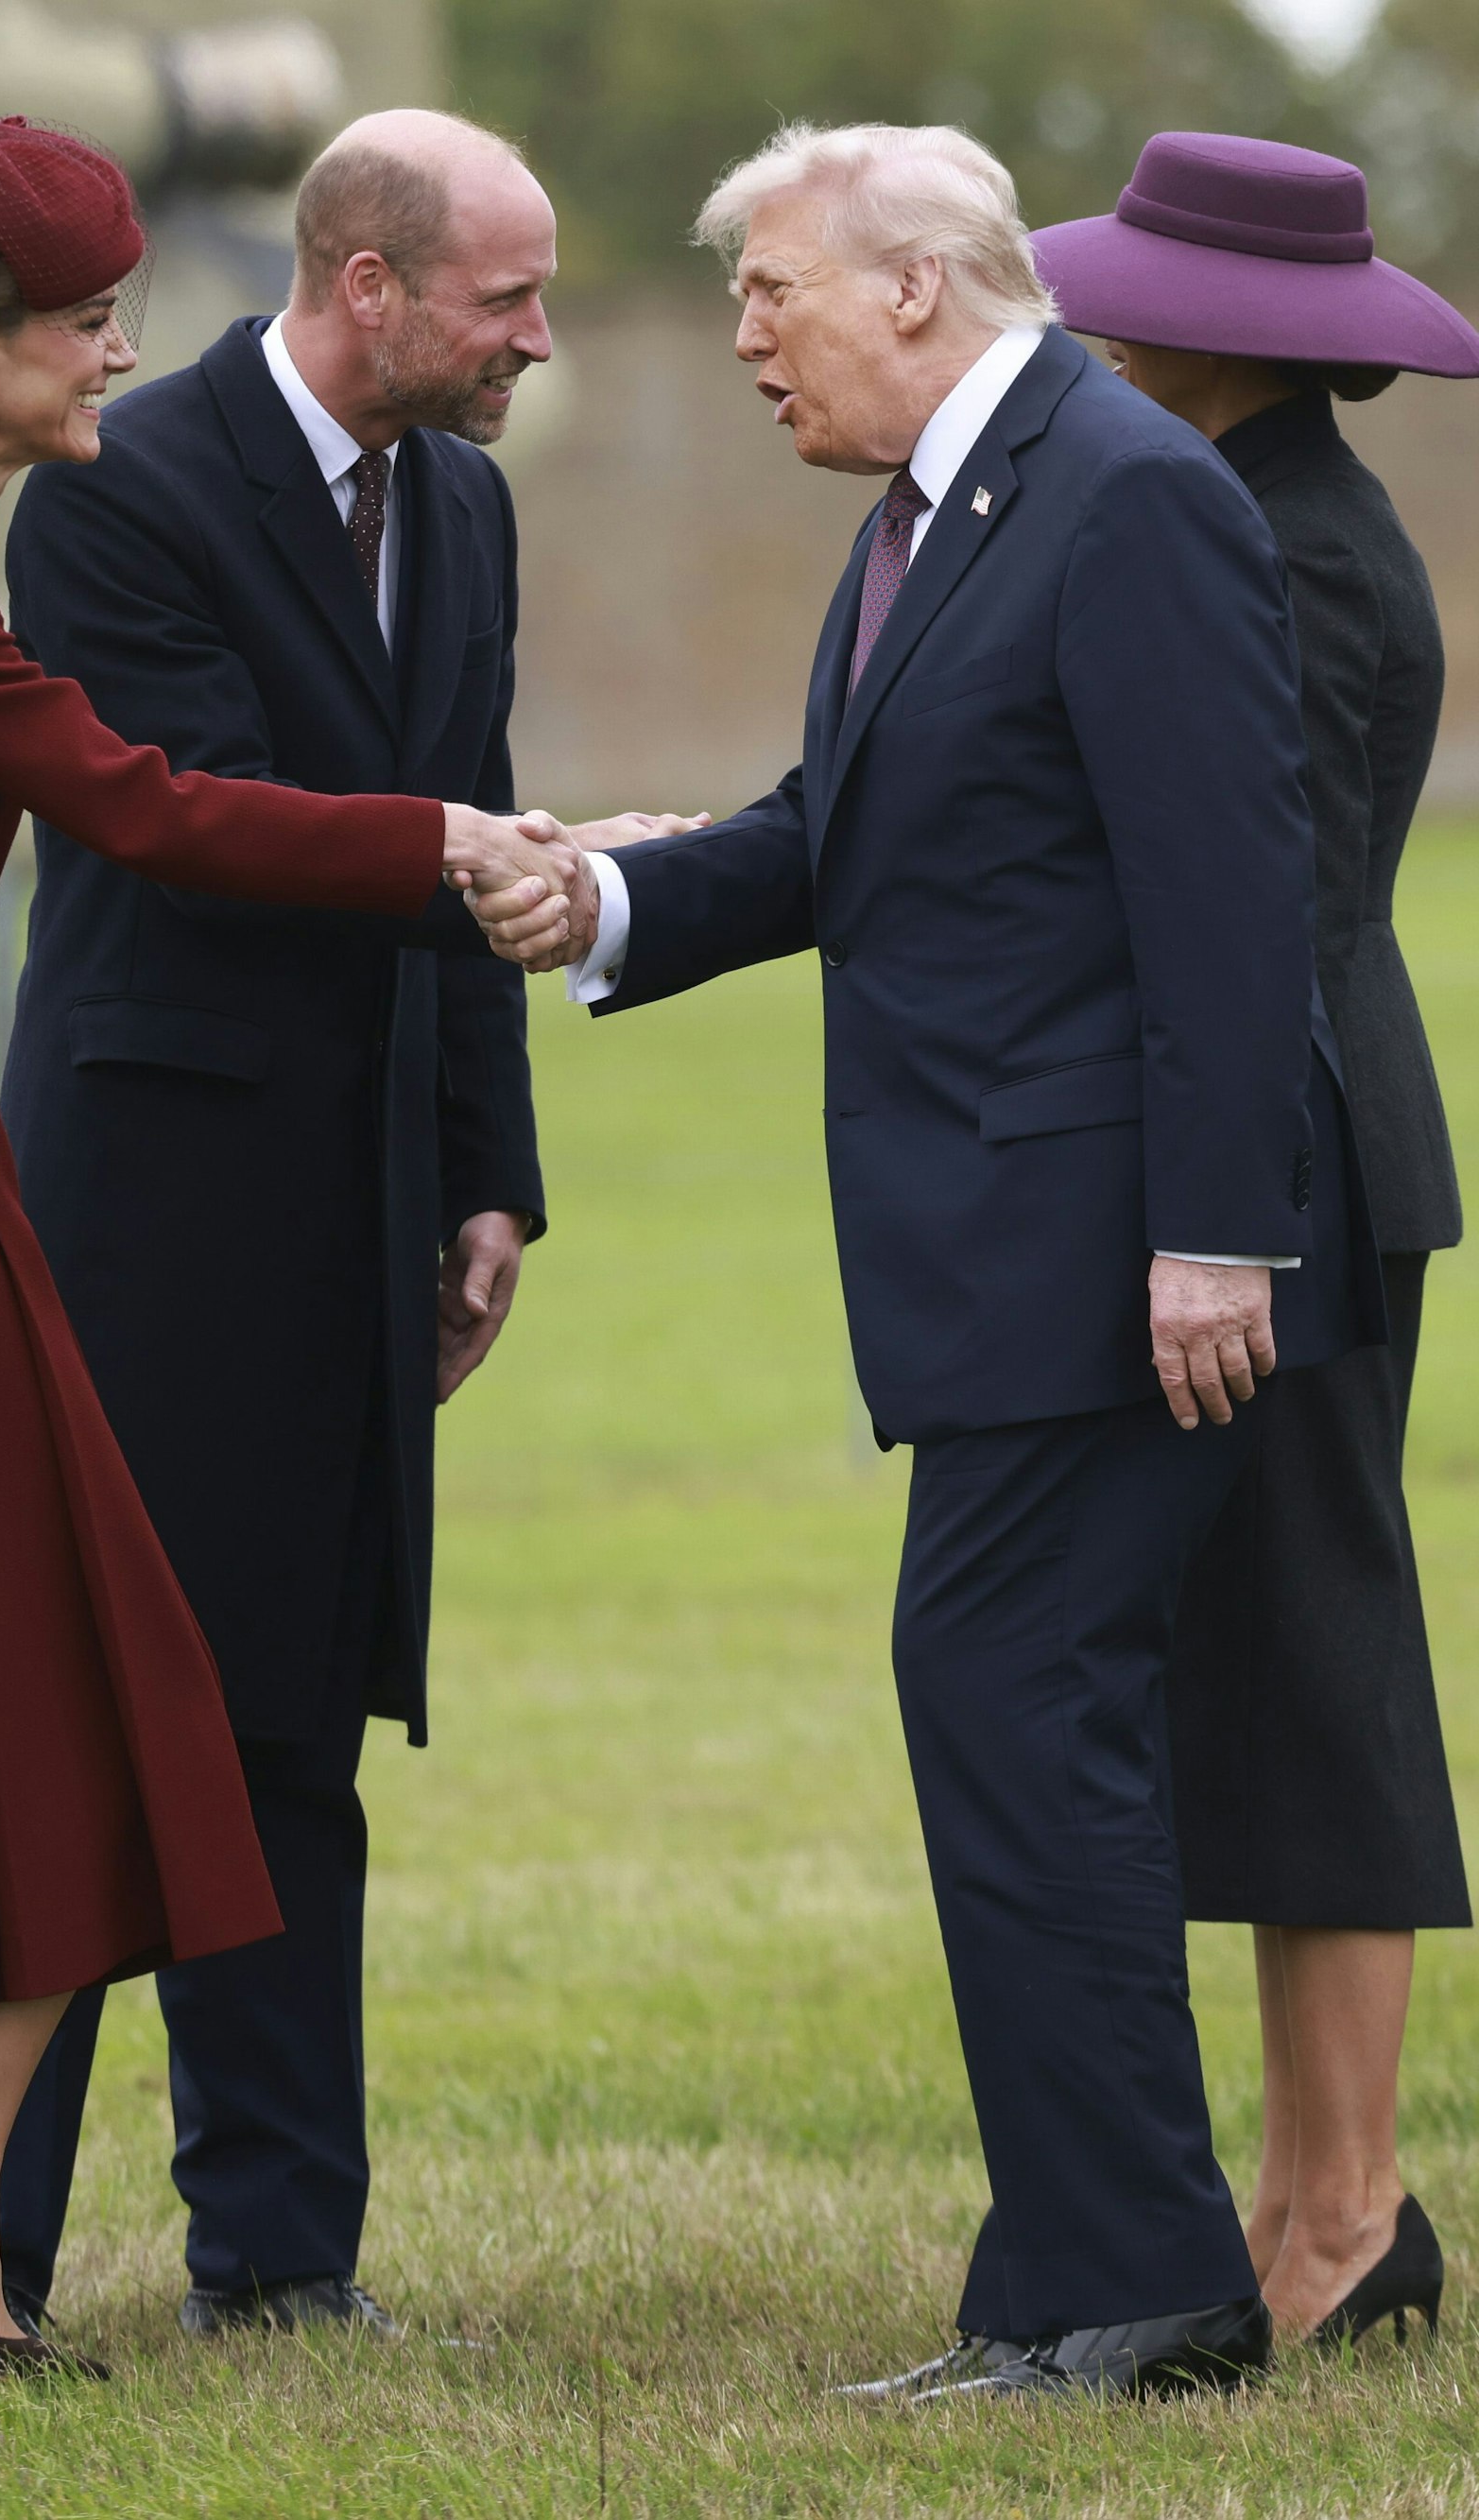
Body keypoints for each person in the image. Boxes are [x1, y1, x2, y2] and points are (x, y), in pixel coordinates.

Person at [0, 75, 571, 2402]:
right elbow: (131, 801)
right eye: (84, 327)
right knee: (112, 1689)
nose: (114, 364)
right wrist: (451, 838)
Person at [474, 119, 1384, 2402]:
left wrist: (1211, 1236)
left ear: (915, 286)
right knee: (1014, 1724)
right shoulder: (943, 508)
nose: (744, 337)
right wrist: (605, 902)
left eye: (769, 290)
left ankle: (1136, 2293)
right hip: (999, 1259)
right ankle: (1092, 2274)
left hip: (1103, 1264)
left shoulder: (1130, 491)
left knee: (1023, 1721)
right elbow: (844, 835)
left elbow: (1225, 898)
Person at [0, 106, 698, 2350]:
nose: (541, 338)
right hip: (148, 1201)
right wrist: (473, 836)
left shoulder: (467, 499)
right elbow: (195, 824)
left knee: (291, 1720)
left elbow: (461, 857)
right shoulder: (122, 495)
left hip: (358, 1197)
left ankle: (281, 2247)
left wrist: (486, 1173)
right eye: (508, 301)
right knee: (70, 1717)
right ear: (370, 288)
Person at [1031, 131, 1479, 2347]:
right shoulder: (1252, 506)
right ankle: (1315, 2199)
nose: (1097, 311)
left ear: (1234, 336)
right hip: (1277, 1160)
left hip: (1291, 1173)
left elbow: (1246, 916)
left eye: (1136, 288)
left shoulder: (1287, 547)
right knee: (1273, 1676)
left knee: (1319, 1676)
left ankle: (1349, 2211)